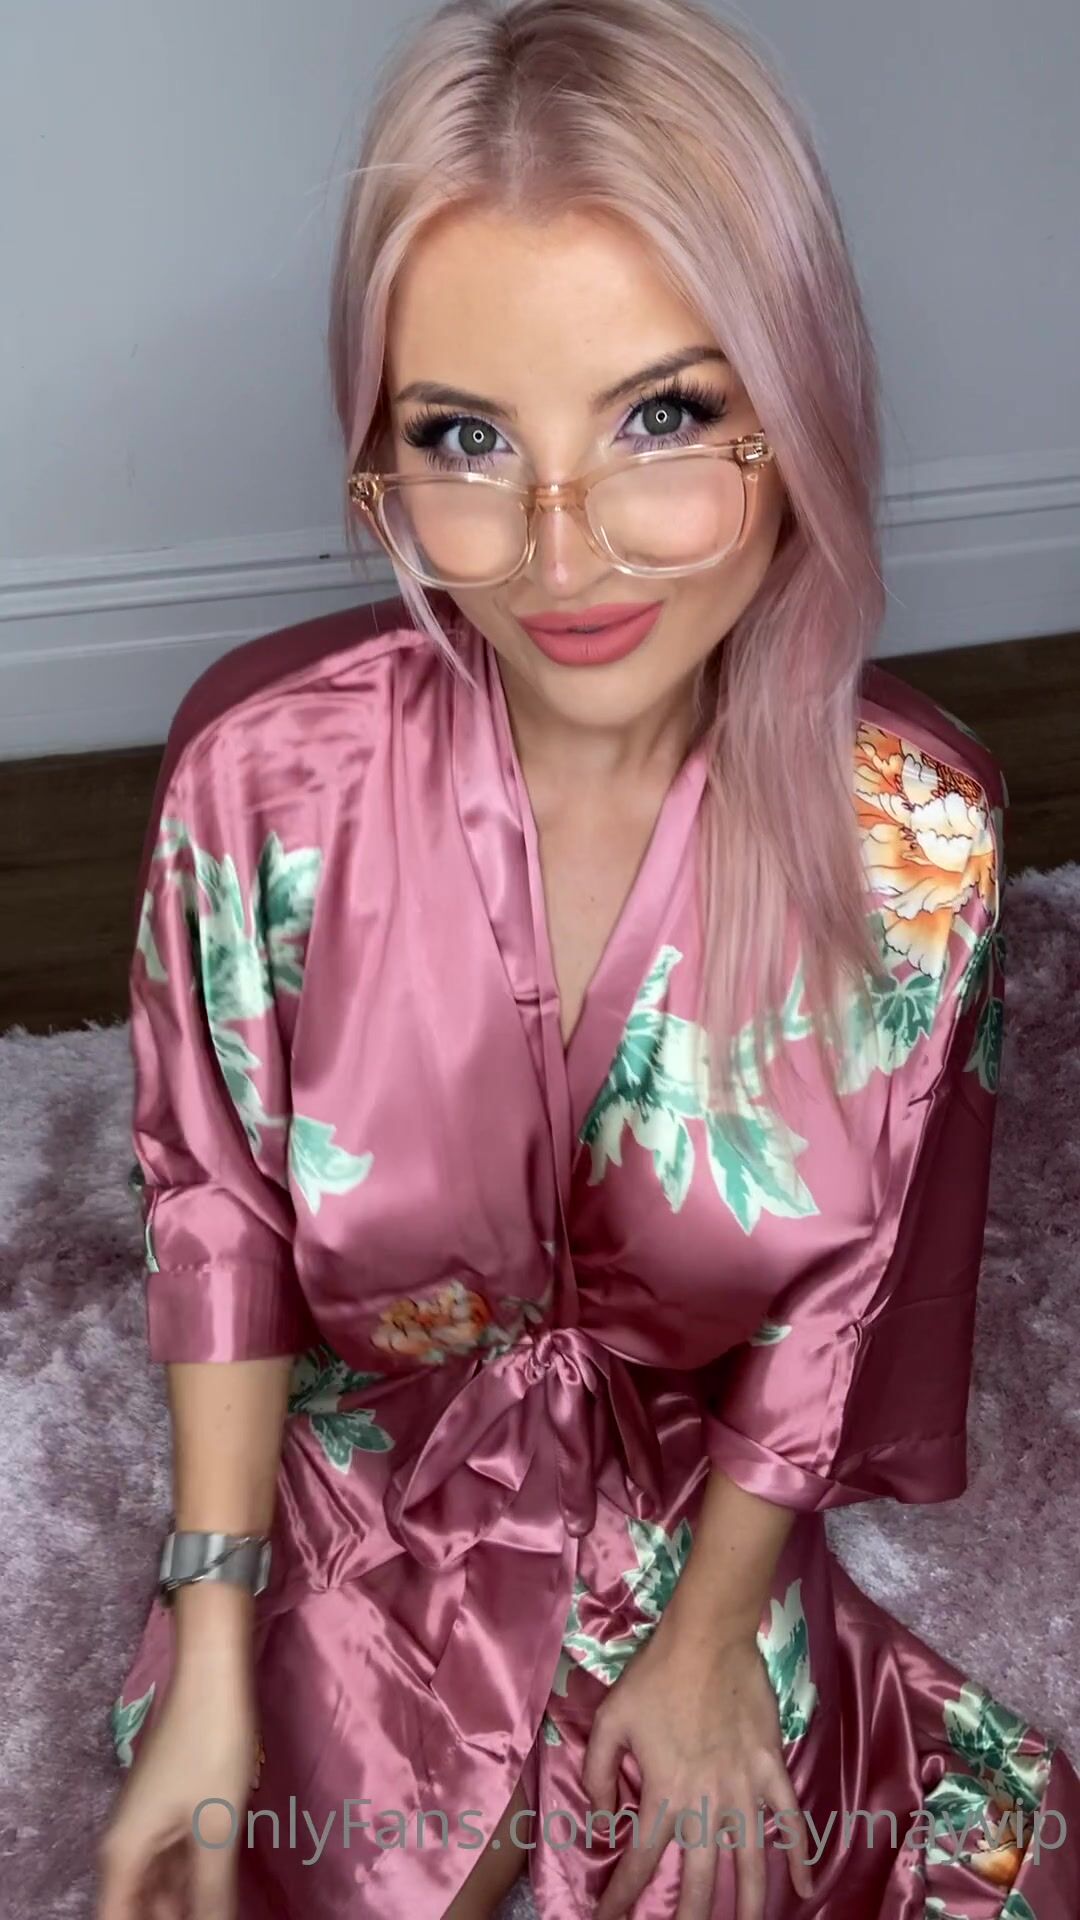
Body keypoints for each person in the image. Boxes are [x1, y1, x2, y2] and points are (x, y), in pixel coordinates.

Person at [96, 1, 1080, 1916]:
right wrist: (212, 1627)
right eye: (464, 439)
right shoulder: (262, 788)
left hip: (694, 1515)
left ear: (795, 413)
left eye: (662, 418)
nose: (562, 557)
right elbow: (212, 1210)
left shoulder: (917, 837)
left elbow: (843, 1288)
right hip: (357, 1518)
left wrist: (714, 1638)